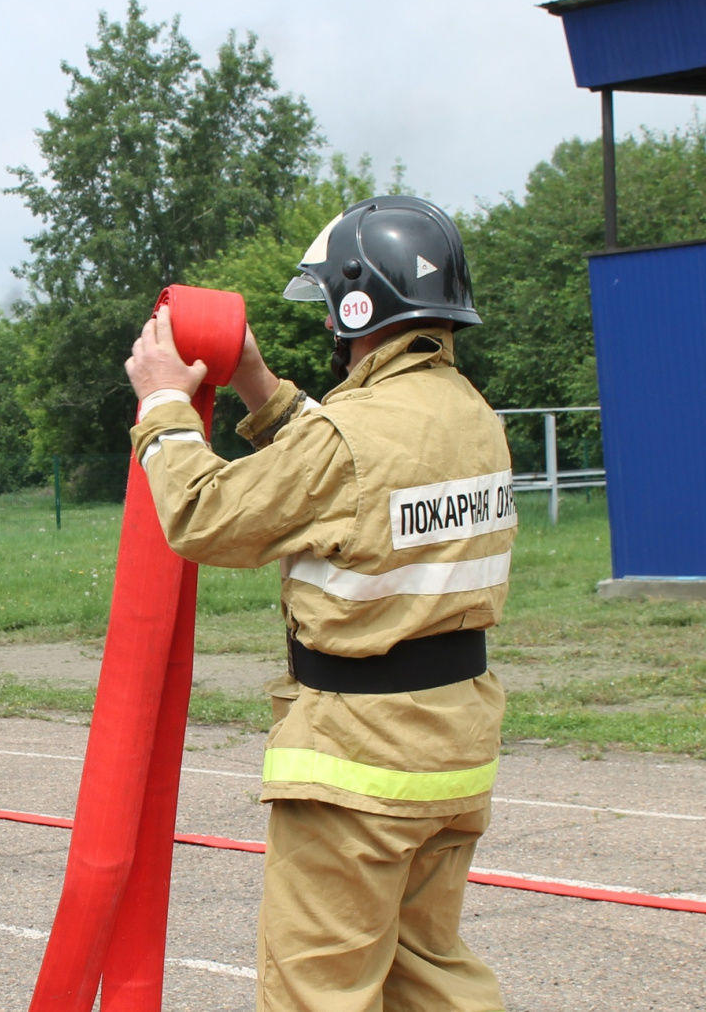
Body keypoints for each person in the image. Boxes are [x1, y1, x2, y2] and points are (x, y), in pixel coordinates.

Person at [125, 195, 514, 1012]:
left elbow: (204, 516)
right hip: (454, 749)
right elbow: (349, 471)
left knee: (320, 992)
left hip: (358, 767)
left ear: (354, 304)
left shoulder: (352, 435)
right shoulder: (473, 417)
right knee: (429, 974)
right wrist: (257, 384)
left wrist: (162, 405)